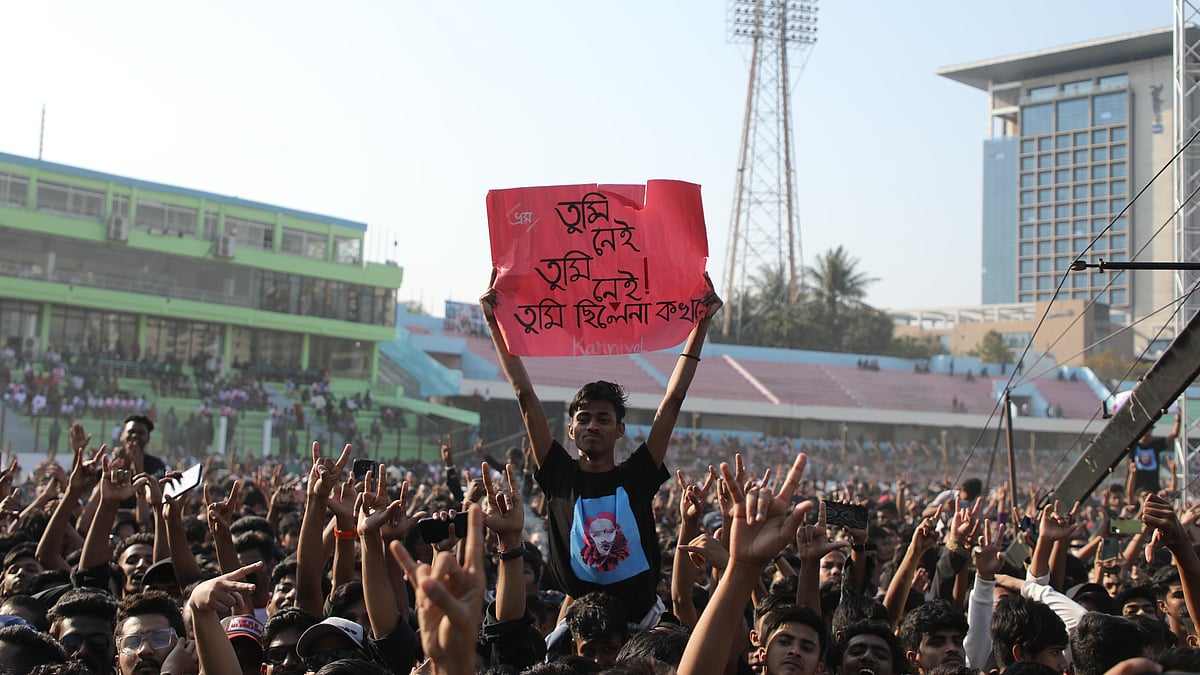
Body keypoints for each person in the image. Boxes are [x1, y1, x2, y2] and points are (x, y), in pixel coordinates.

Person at [480, 275, 722, 627]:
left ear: (620, 429)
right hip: (579, 625)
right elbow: (525, 397)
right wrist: (493, 321)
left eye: (603, 419)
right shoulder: (559, 475)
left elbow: (671, 402)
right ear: (571, 430)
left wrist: (701, 324)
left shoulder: (637, 475)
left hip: (642, 626)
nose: (593, 425)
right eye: (584, 418)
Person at [1129, 415, 1181, 495]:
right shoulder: (1133, 446)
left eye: (1149, 430)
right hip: (1137, 487)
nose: (1147, 433)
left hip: (1153, 486)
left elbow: (1174, 434)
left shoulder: (1155, 445)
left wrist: (1178, 420)